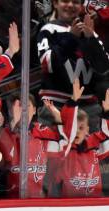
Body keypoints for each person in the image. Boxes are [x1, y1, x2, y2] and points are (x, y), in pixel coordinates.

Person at [37, 0, 109, 131]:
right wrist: (71, 38)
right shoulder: (48, 30)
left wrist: (90, 39)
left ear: (81, 6)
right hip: (55, 105)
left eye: (75, 2)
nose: (70, 5)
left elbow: (103, 68)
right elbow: (49, 65)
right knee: (53, 149)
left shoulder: (90, 33)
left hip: (89, 109)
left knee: (91, 151)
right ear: (55, 3)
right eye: (65, 0)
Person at [52, 82, 109, 197]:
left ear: (87, 130)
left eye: (81, 128)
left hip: (95, 203)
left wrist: (107, 113)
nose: (77, 131)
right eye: (75, 127)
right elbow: (66, 128)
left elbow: (106, 134)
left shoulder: (94, 144)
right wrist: (73, 102)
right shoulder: (64, 146)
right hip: (69, 205)